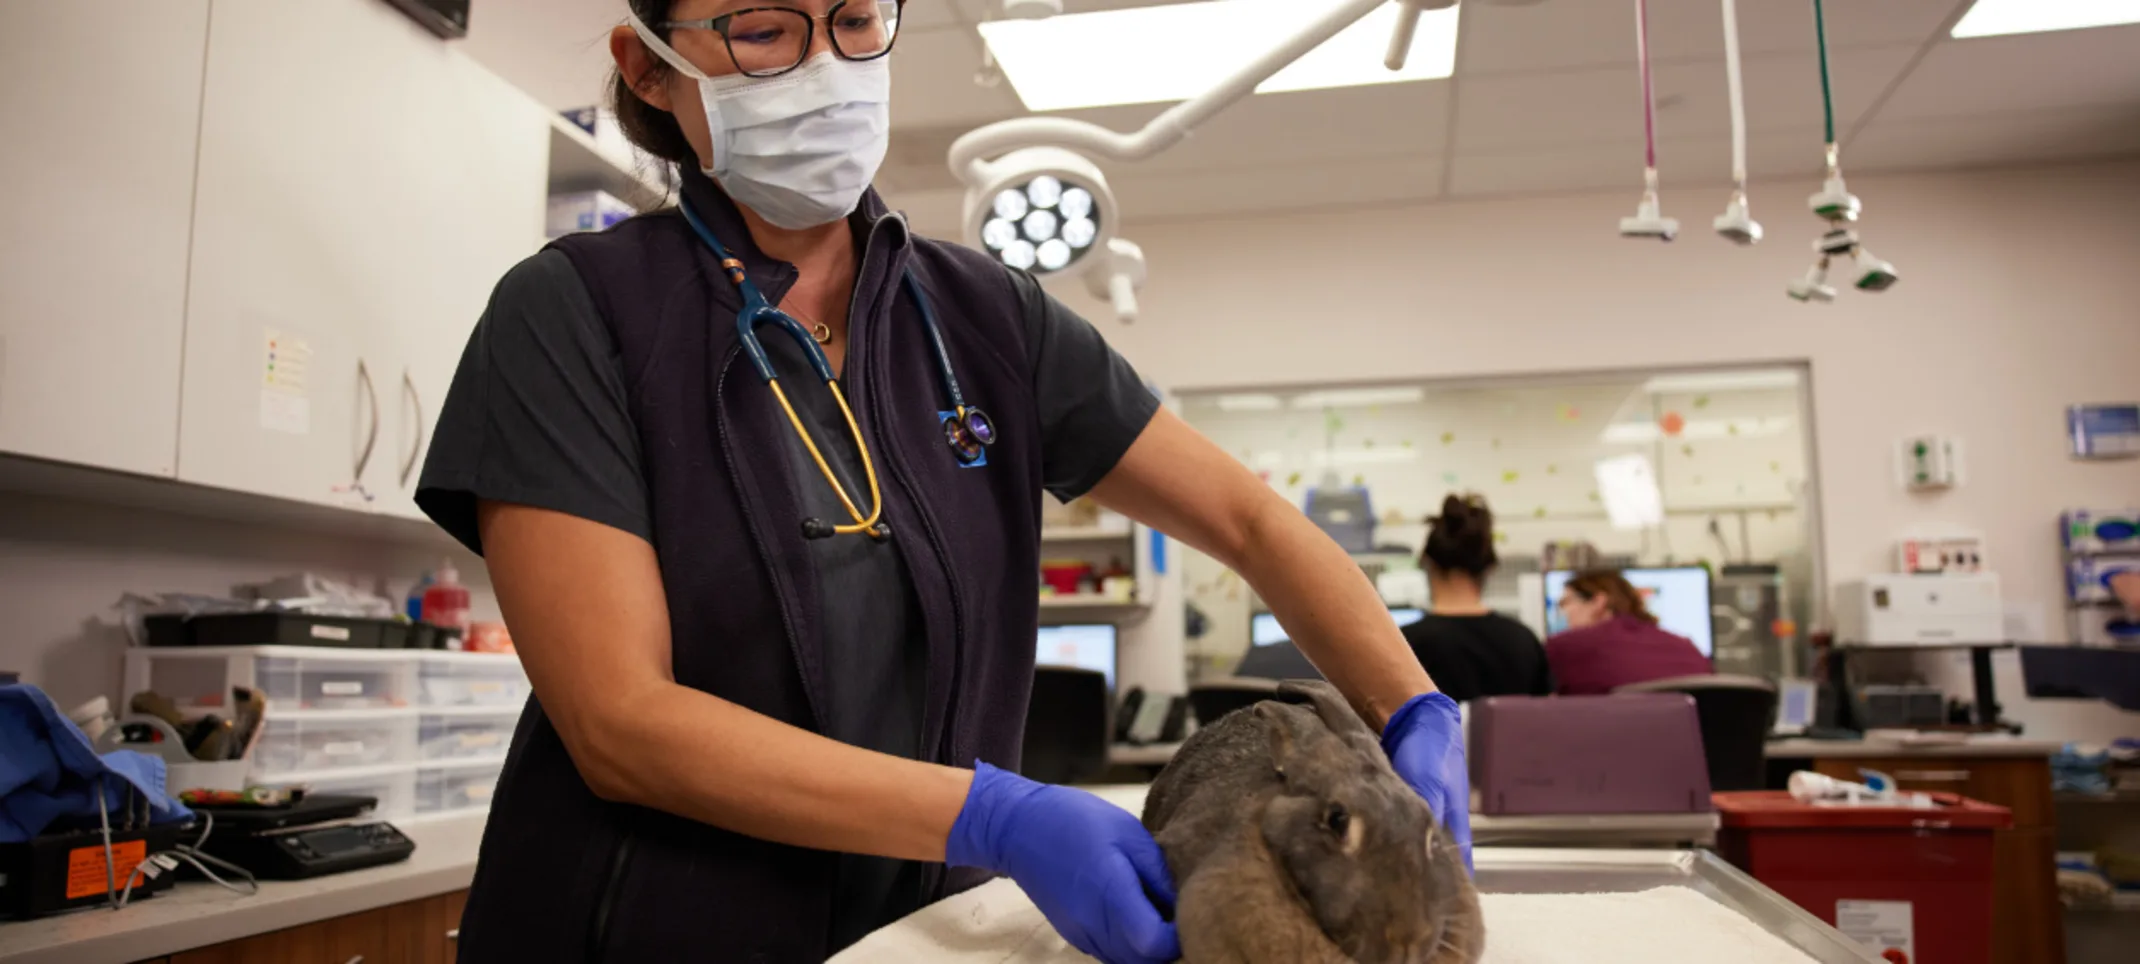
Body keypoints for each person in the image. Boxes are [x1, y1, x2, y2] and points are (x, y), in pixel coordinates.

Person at [412, 3, 1471, 961]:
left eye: (855, 19)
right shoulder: (573, 314)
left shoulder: (989, 319)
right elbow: (621, 723)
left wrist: (1412, 702)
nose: (824, 64)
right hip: (640, 934)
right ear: (648, 72)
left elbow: (1245, 517)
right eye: (764, 29)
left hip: (920, 937)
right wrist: (993, 817)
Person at [1237, 494, 1552, 702]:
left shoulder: (1401, 644)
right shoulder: (1524, 642)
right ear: (1490, 568)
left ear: (1427, 563)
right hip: (1511, 794)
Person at [1546, 569, 1712, 695]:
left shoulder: (1566, 647)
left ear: (1598, 602)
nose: (1563, 612)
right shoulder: (1687, 647)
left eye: (1565, 602)